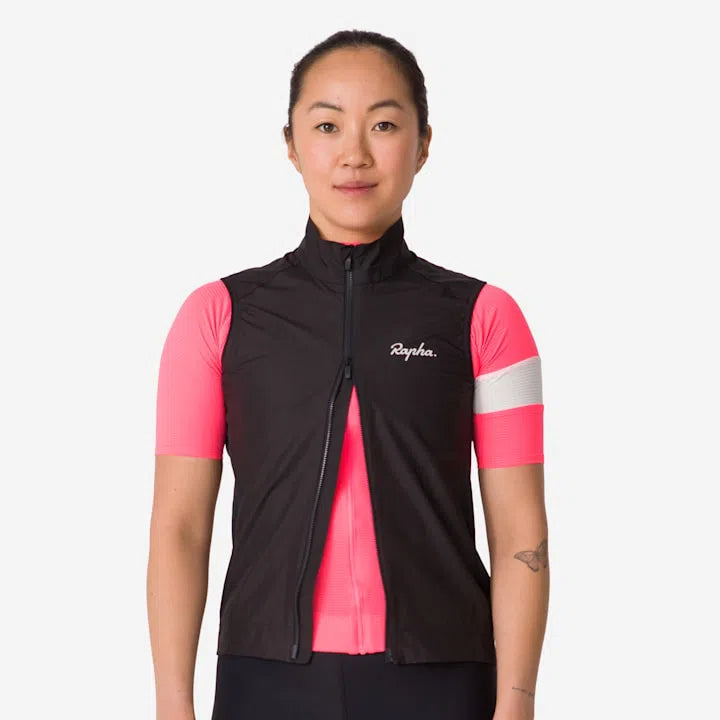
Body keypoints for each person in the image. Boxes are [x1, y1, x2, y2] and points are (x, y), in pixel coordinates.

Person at [147, 29, 548, 720]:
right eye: (327, 125)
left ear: (423, 144)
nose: (354, 154)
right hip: (266, 680)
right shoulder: (217, 316)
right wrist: (172, 707)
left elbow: (520, 533)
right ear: (292, 144)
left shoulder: (488, 318)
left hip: (443, 678)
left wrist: (516, 706)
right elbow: (179, 528)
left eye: (384, 125)